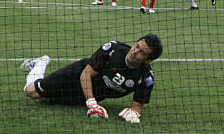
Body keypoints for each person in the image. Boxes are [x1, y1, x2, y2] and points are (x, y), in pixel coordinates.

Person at [22, 34, 163, 124]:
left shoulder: (146, 78)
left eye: (141, 52)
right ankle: (41, 62)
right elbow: (86, 73)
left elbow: (138, 106)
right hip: (78, 75)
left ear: (148, 60)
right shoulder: (113, 50)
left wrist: (133, 114)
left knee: (43, 100)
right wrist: (92, 104)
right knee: (31, 92)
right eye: (137, 46)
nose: (135, 52)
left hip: (94, 93)